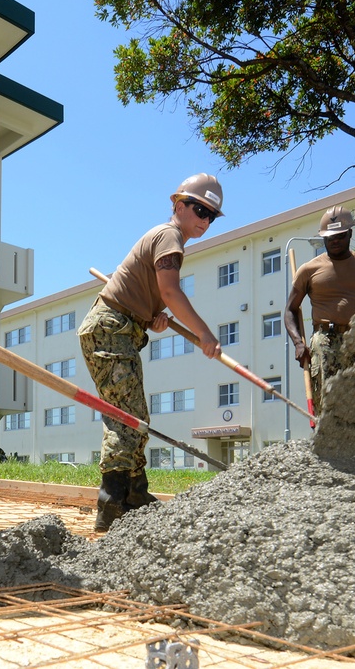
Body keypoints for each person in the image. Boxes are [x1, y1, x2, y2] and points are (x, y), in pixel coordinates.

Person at [79, 173, 224, 532]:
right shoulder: (169, 235)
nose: (204, 220)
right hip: (110, 329)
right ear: (179, 205)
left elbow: (155, 296)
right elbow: (172, 292)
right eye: (200, 210)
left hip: (121, 328)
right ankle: (112, 501)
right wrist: (204, 334)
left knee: (134, 415)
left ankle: (133, 494)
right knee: (126, 417)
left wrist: (152, 318)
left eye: (211, 215)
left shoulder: (169, 241)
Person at [285, 206, 355, 414]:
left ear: (349, 233)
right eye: (329, 237)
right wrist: (298, 343)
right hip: (325, 341)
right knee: (328, 404)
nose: (334, 241)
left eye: (339, 235)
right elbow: (290, 310)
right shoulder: (309, 269)